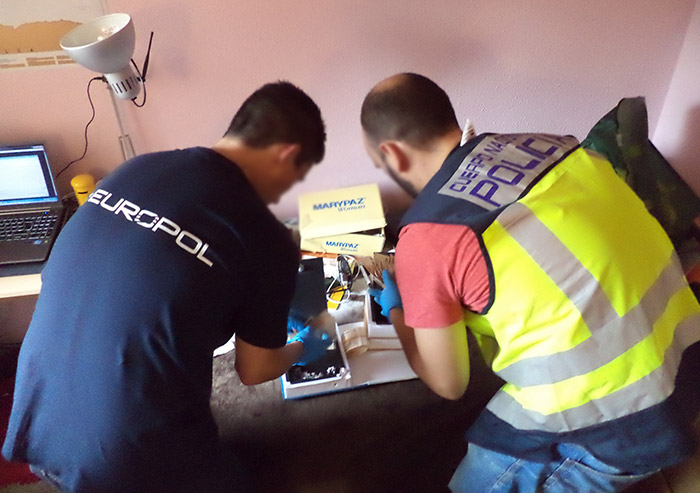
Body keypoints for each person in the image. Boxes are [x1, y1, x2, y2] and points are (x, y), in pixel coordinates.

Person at [362, 72, 700, 492]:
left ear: (392, 153)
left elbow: (448, 383)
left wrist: (398, 309)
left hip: (623, 423)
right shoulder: (555, 146)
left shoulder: (429, 237)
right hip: (687, 361)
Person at [2, 81, 333, 492]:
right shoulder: (267, 238)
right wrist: (304, 346)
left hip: (36, 425)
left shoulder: (135, 169)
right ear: (287, 154)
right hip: (121, 459)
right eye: (296, 174)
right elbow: (255, 370)